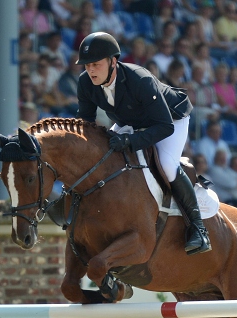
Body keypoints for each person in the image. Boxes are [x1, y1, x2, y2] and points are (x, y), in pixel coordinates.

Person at [75, 32, 209, 255]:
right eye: (87, 65)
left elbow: (164, 126)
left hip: (170, 118)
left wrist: (130, 141)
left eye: (96, 65)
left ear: (113, 62)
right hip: (131, 120)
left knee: (166, 164)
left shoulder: (140, 79)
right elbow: (86, 124)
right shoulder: (85, 83)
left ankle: (198, 228)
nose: (90, 70)